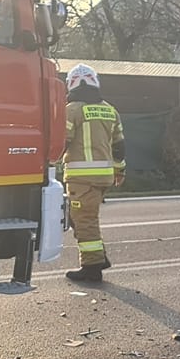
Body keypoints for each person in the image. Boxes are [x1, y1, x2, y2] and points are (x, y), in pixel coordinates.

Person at [61, 64, 125, 283]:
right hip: (104, 176)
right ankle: (99, 257)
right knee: (83, 218)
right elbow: (119, 146)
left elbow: (62, 142)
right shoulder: (110, 109)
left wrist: (45, 165)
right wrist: (119, 170)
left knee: (84, 220)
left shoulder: (72, 110)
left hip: (81, 177)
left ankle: (92, 267)